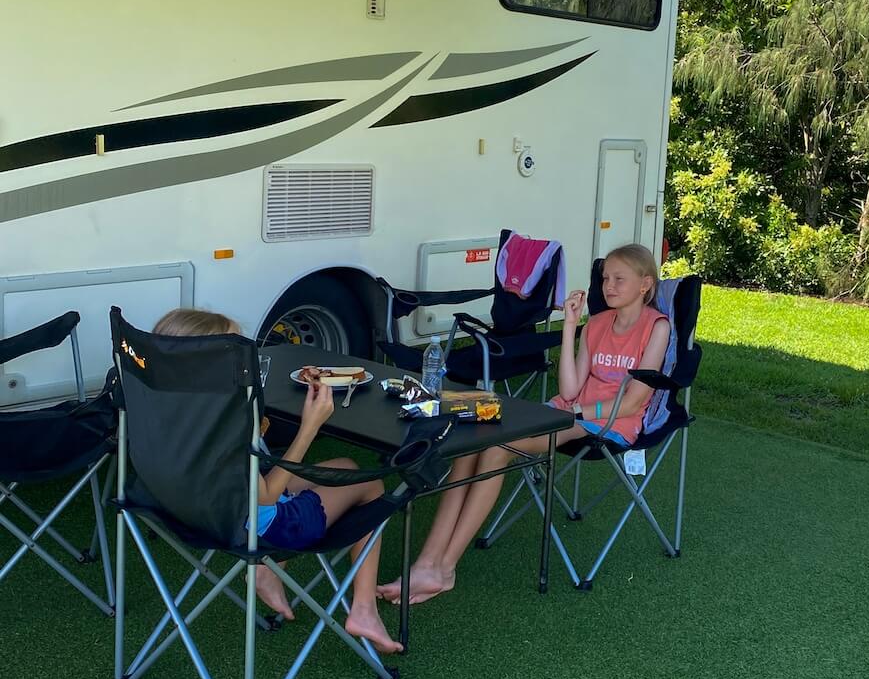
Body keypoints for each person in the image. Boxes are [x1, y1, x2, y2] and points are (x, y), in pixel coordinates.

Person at [382, 243, 669, 607]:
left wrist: (578, 412)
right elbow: (568, 388)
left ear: (645, 284)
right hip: (569, 410)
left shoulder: (656, 327)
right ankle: (427, 561)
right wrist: (569, 327)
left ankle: (446, 567)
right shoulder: (596, 324)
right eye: (605, 278)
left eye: (619, 279)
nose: (608, 286)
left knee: (499, 447)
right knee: (476, 440)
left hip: (608, 423)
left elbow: (634, 401)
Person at [151, 308, 402, 655]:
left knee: (344, 465)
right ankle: (363, 610)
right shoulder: (223, 419)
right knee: (369, 484)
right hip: (259, 526)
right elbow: (266, 497)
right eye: (235, 351)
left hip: (200, 509)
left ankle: (269, 574)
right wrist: (309, 428)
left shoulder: (163, 406)